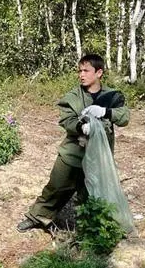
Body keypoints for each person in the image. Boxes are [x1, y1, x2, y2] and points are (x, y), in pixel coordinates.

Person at [17, 54, 129, 232]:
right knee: (56, 187)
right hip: (73, 152)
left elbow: (124, 118)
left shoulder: (112, 96)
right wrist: (80, 127)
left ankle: (89, 229)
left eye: (86, 70)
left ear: (99, 72)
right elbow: (67, 120)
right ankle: (37, 217)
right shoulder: (73, 96)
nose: (81, 75)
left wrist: (106, 112)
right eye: (80, 71)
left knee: (91, 193)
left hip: (98, 156)